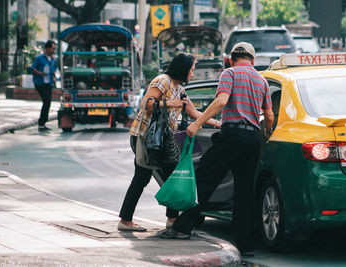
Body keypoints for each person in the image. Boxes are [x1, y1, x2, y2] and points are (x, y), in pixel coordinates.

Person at [160, 42, 275, 256]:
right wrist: (266, 134)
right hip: (252, 138)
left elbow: (222, 101)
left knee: (204, 178)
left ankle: (182, 227)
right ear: (252, 60)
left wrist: (197, 123)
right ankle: (245, 244)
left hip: (231, 135)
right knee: (244, 190)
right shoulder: (262, 80)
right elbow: (268, 116)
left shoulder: (229, 74)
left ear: (232, 59)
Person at [117, 52, 220, 232]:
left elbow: (194, 113)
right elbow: (146, 103)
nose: (193, 74)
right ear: (184, 68)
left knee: (147, 177)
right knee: (157, 176)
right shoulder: (163, 80)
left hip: (160, 140)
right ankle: (169, 220)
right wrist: (172, 103)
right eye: (192, 70)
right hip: (145, 136)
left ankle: (135, 219)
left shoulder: (180, 89)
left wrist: (217, 123)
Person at [30, 40, 58, 131]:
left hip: (49, 83)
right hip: (40, 83)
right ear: (47, 48)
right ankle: (41, 122)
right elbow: (32, 68)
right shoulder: (39, 58)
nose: (54, 51)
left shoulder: (53, 59)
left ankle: (43, 123)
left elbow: (54, 70)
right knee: (46, 101)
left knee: (48, 102)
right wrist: (39, 73)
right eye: (53, 49)